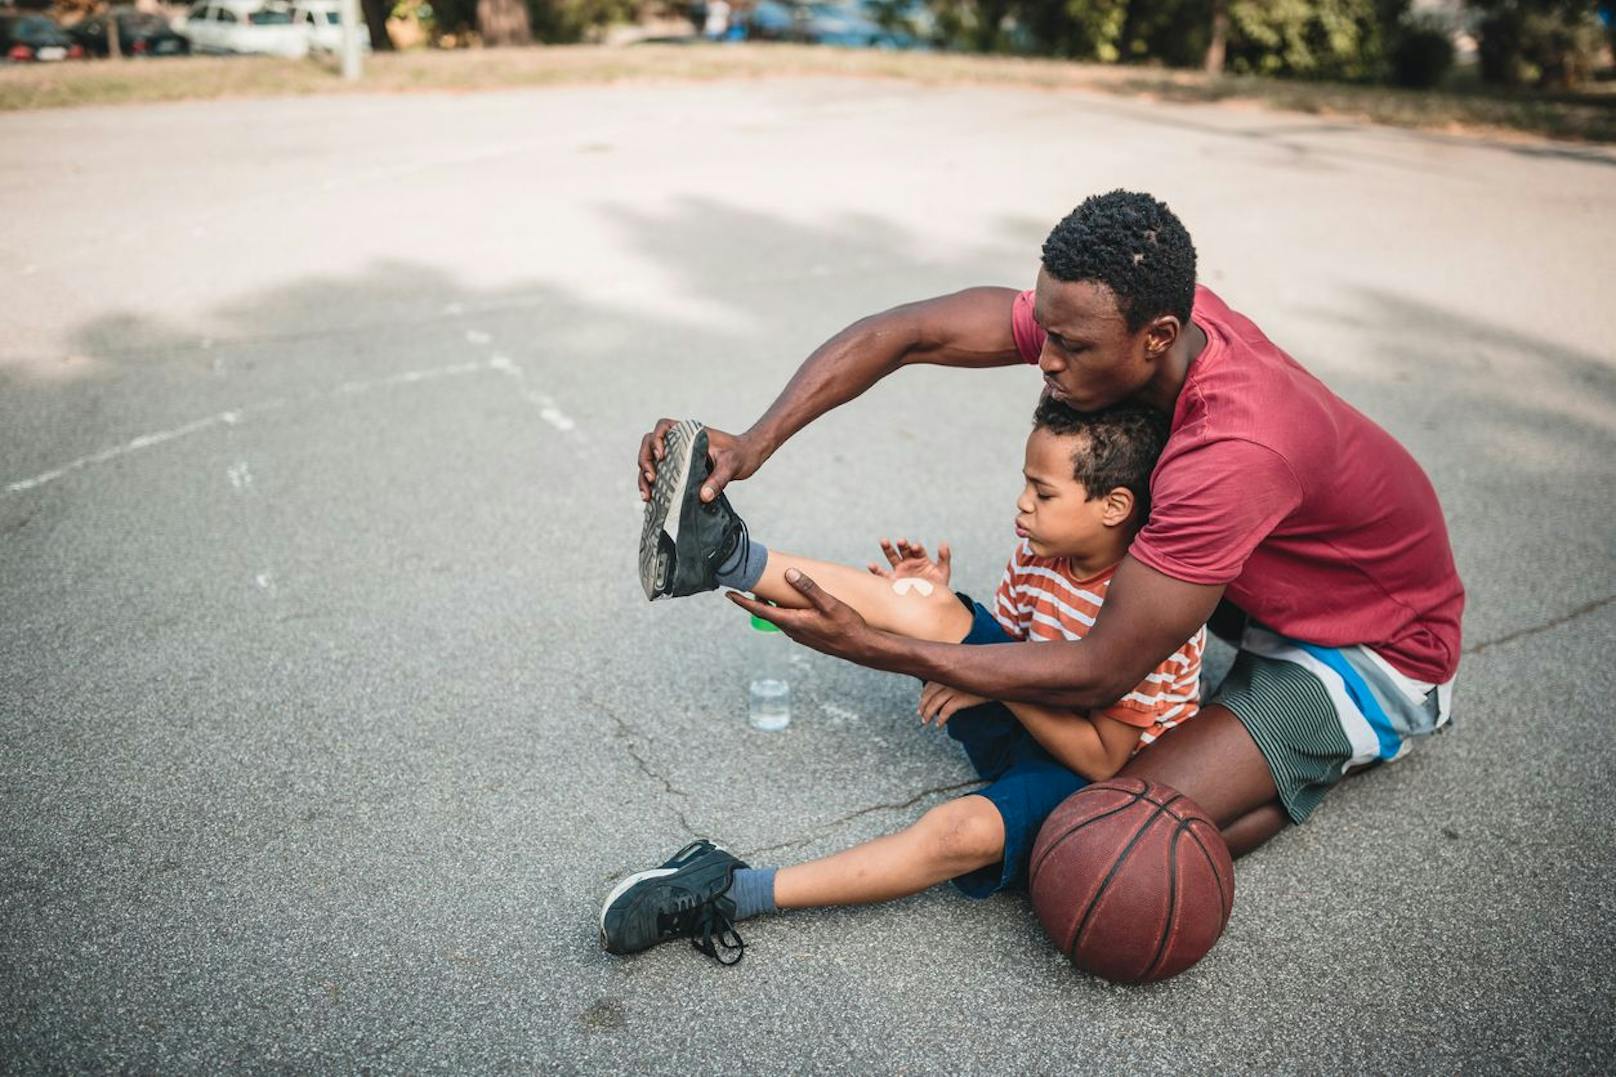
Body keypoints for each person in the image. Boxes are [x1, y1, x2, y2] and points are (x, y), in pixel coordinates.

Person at [636, 189, 1464, 864]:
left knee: (1095, 849)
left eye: (1066, 345)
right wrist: (753, 440)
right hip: (1258, 586)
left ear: (1159, 338)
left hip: (1372, 646)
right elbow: (908, 332)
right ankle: (732, 556)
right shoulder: (1123, 314)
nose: (1044, 358)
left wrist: (882, 647)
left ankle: (1298, 762)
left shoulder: (1232, 449)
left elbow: (1100, 671)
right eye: (1045, 328)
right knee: (1021, 644)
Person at [603, 400, 1205, 964]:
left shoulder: (1153, 613)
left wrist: (990, 682)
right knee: (921, 601)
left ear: (1114, 507)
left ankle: (736, 891)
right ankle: (724, 555)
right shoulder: (1042, 552)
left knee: (958, 833)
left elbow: (1103, 760)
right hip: (1035, 711)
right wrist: (935, 607)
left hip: (1092, 775)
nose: (1022, 504)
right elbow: (1012, 646)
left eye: (1042, 492)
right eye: (1025, 484)